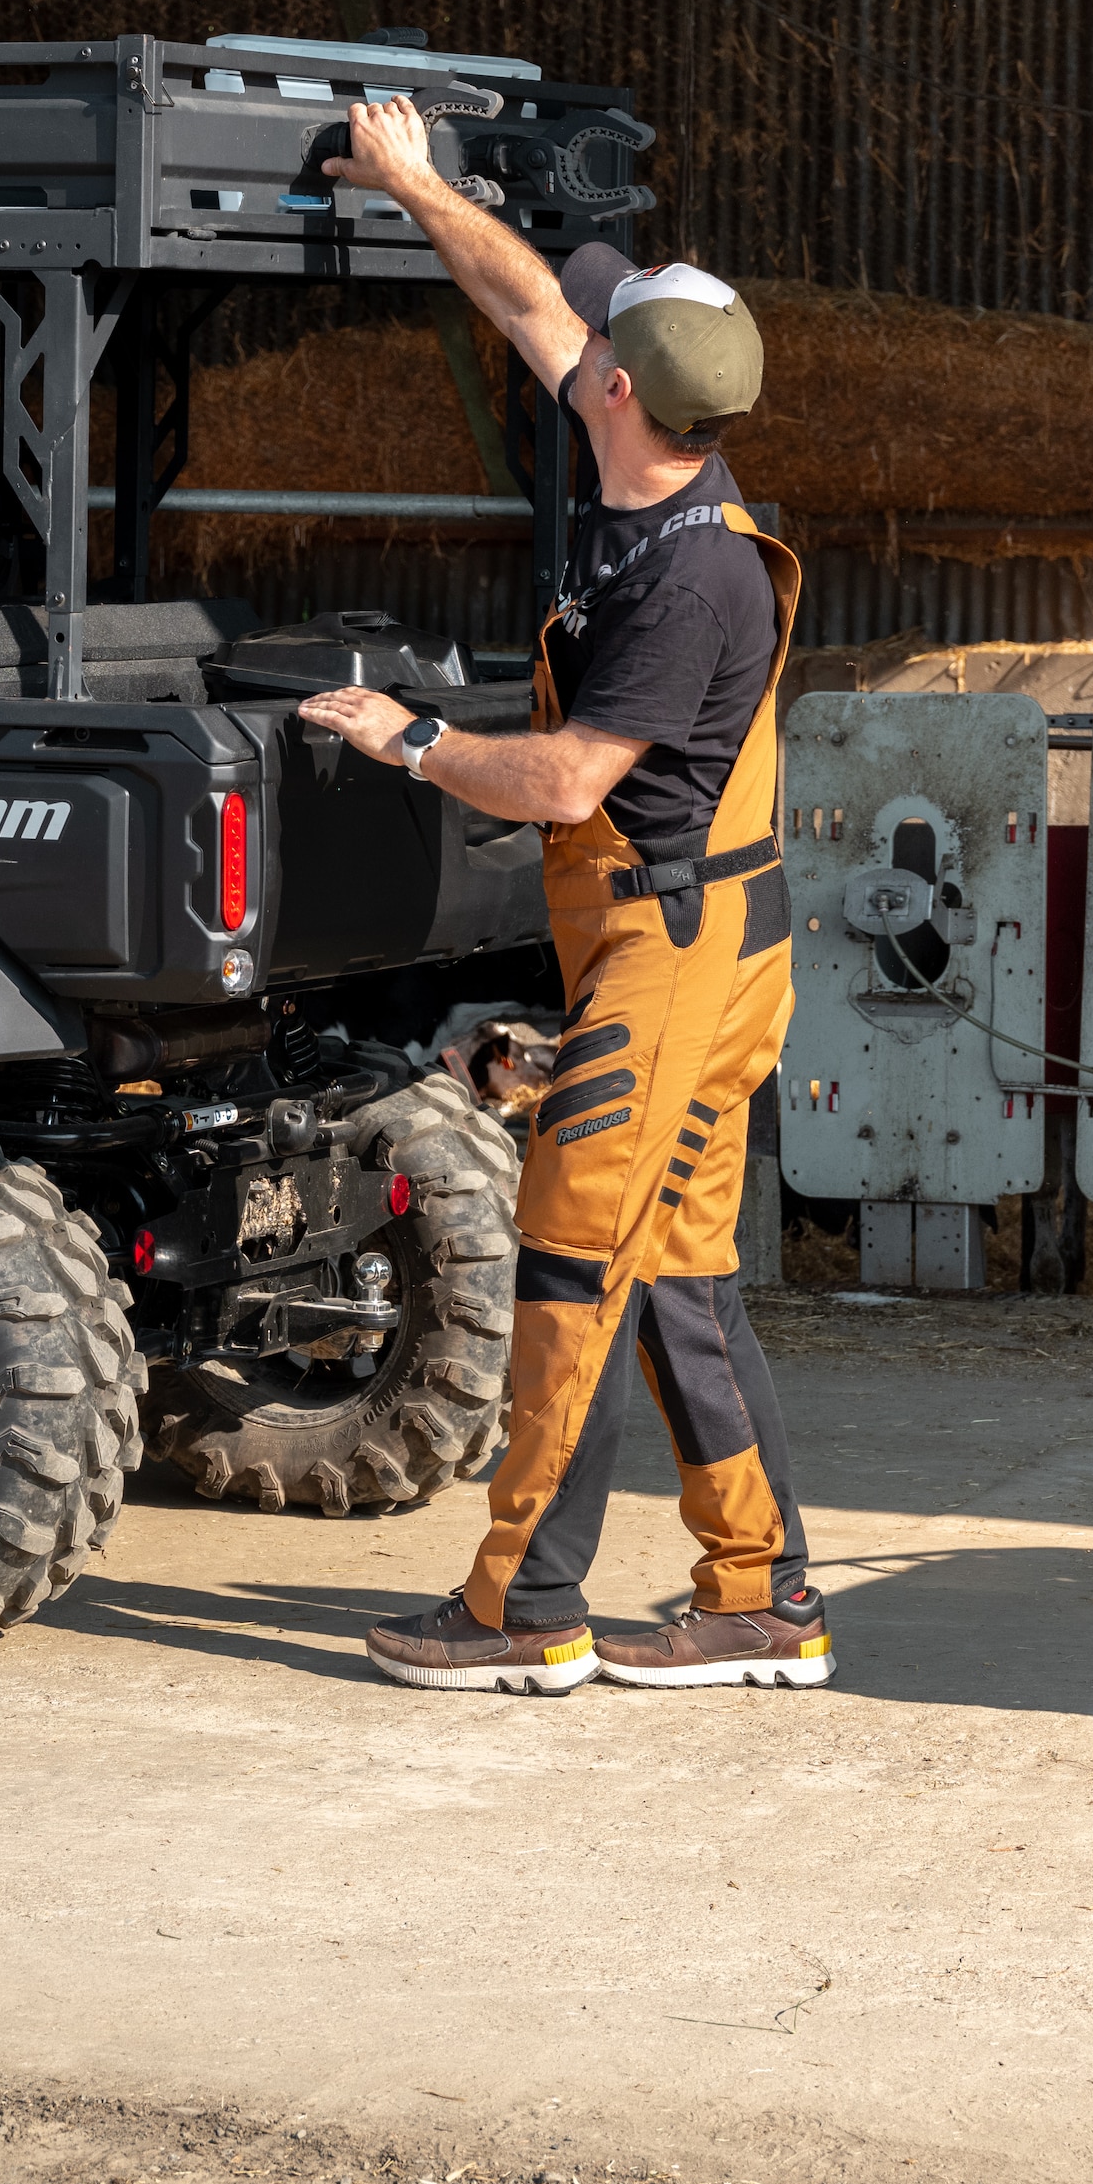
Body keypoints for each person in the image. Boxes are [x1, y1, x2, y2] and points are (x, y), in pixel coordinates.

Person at [296, 96, 828, 1697]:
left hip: (675, 946)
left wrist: (414, 739)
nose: (581, 336)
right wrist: (416, 185)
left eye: (605, 338)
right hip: (693, 928)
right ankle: (764, 1596)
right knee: (675, 1271)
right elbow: (526, 293)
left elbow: (568, 779)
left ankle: (525, 1602)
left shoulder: (691, 578)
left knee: (573, 1260)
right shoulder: (652, 444)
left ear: (621, 386)